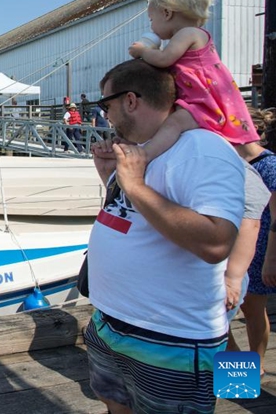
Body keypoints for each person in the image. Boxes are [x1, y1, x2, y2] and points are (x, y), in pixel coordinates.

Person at [86, 59, 245, 414]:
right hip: (111, 322)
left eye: (105, 105)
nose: (104, 116)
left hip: (170, 336)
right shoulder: (141, 151)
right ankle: (242, 384)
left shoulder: (202, 150)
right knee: (115, 404)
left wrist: (136, 187)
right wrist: (110, 177)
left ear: (130, 101)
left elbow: (216, 242)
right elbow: (133, 220)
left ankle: (246, 388)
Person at [127, 0, 259, 162]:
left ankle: (145, 156)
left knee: (174, 123)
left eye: (151, 19)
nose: (152, 26)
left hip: (201, 101)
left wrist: (143, 51)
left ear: (167, 13)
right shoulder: (194, 34)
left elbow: (164, 59)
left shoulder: (187, 33)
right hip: (201, 97)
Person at [227, 107, 276, 377]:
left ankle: (253, 367)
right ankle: (239, 372)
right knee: (223, 315)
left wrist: (270, 259)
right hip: (235, 247)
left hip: (260, 249)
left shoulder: (269, 165)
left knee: (253, 310)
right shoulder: (232, 162)